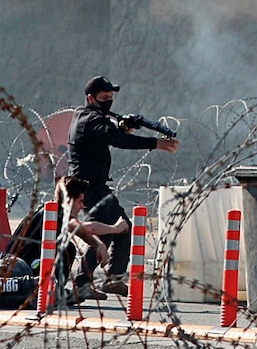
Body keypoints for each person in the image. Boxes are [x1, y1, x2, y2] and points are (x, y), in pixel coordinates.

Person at [67, 76, 178, 299]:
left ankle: (115, 279)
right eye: (104, 97)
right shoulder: (90, 119)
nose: (109, 101)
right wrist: (154, 143)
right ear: (90, 98)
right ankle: (81, 283)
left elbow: (109, 131)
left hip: (97, 186)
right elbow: (117, 139)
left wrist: (121, 126)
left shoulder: (90, 115)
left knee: (124, 226)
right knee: (104, 232)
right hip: (87, 187)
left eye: (110, 97)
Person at [6, 175, 129, 305]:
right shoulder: (54, 214)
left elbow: (81, 231)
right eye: (80, 201)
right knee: (66, 249)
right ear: (69, 201)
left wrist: (99, 245)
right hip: (18, 269)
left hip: (22, 265)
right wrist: (115, 229)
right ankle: (53, 293)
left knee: (67, 247)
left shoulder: (54, 211)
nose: (82, 206)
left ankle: (55, 290)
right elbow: (88, 228)